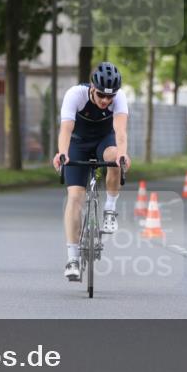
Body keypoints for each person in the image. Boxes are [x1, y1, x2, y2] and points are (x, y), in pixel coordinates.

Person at [52, 62, 130, 281]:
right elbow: (66, 129)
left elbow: (121, 131)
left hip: (105, 142)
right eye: (100, 95)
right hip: (78, 143)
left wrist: (122, 154)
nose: (105, 101)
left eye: (110, 97)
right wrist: (62, 153)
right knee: (75, 197)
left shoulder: (120, 98)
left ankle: (110, 210)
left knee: (115, 158)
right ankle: (73, 259)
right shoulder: (75, 95)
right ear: (92, 87)